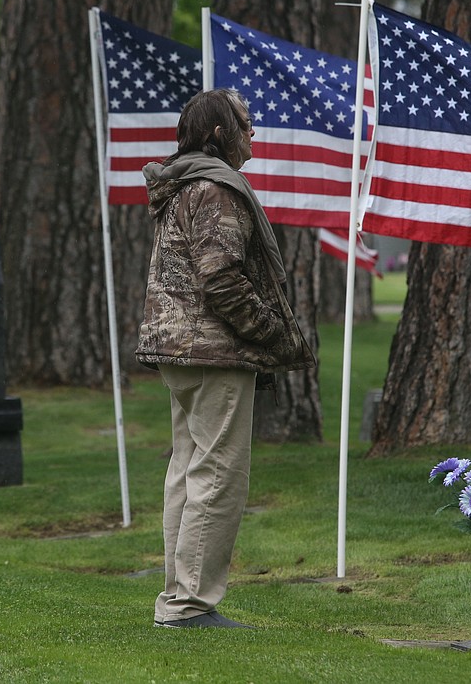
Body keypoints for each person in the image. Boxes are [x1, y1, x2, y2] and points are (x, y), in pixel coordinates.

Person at [136, 88, 315, 629]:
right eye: (245, 123)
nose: (253, 132)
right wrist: (272, 335)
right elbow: (221, 280)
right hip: (214, 352)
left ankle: (177, 597)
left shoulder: (183, 186)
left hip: (181, 350)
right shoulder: (215, 188)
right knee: (217, 476)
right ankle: (189, 605)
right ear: (219, 133)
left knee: (187, 473)